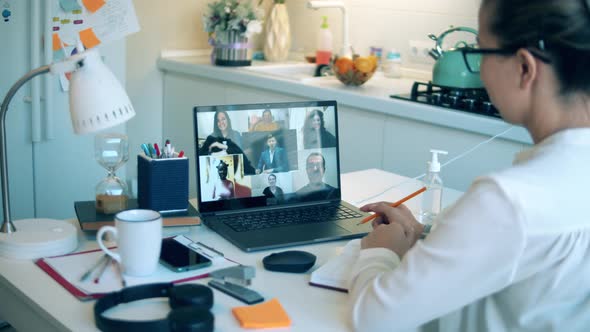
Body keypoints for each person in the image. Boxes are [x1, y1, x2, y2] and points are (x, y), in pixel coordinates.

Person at [348, 1, 590, 331]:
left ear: (524, 68)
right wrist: (428, 241)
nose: (480, 72)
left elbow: (371, 318)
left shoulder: (508, 199)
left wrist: (381, 253)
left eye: (479, 53)